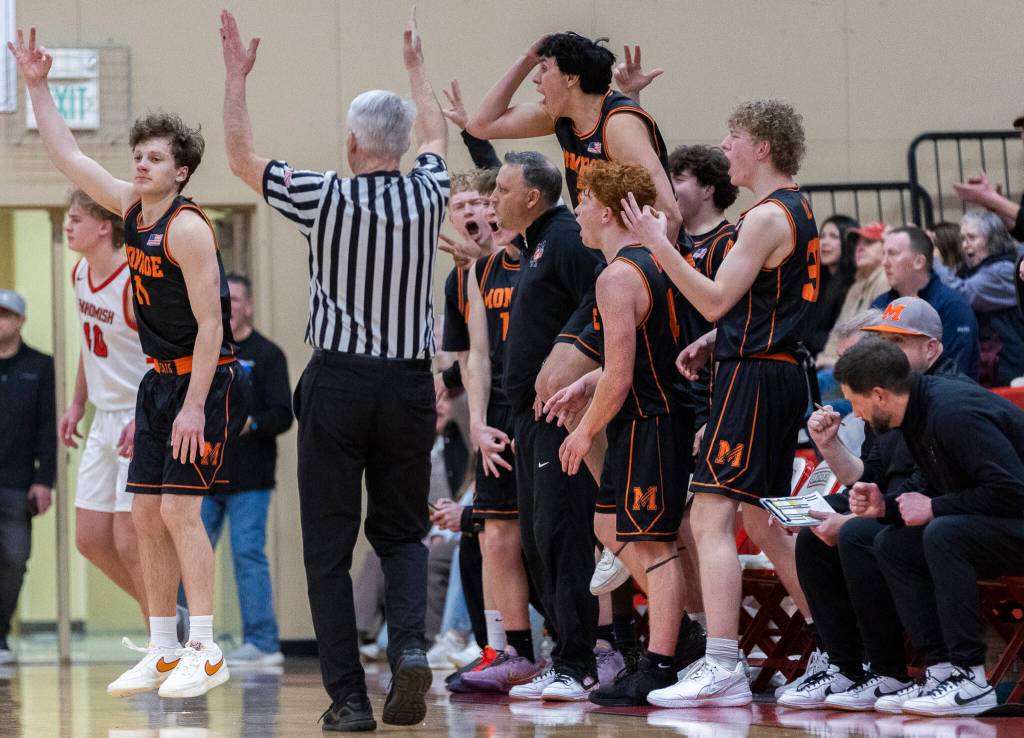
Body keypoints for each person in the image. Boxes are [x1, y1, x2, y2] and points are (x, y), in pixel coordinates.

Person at [220, 8, 447, 730]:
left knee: (326, 547)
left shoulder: (325, 195)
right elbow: (437, 134)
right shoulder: (432, 187)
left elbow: (240, 157)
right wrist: (417, 66)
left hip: (340, 381)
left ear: (352, 143)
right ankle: (408, 645)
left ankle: (348, 699)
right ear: (403, 144)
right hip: (410, 384)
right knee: (403, 533)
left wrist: (236, 79)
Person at [12, 29, 250, 700]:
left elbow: (214, 324)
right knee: (144, 515)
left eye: (155, 157)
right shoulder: (128, 207)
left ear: (180, 171)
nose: (141, 164)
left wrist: (197, 405)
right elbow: (67, 155)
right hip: (156, 381)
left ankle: (206, 647)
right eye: (138, 155)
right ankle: (163, 647)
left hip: (204, 382)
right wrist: (35, 87)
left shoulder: (188, 227)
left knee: (178, 512)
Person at [619, 98, 818, 708]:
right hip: (772, 370)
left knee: (707, 518)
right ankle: (842, 646)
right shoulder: (796, 206)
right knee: (762, 518)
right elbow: (758, 304)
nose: (726, 147)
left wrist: (658, 242)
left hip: (755, 379)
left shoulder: (761, 217)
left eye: (734, 138)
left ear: (762, 147)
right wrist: (716, 340)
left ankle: (723, 662)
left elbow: (710, 299)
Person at [781, 299, 968, 712]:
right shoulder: (889, 394)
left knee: (859, 534)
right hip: (900, 502)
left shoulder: (945, 396)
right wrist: (829, 446)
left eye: (899, 342)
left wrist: (855, 515)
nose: (887, 351)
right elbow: (871, 474)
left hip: (946, 510)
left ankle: (887, 669)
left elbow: (930, 482)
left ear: (931, 350)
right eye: (885, 341)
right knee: (818, 524)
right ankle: (843, 663)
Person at [554, 160, 694, 706]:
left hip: (652, 420)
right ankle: (676, 629)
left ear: (609, 210)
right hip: (652, 415)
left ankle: (662, 661)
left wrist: (585, 431)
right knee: (608, 522)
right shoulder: (656, 262)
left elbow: (620, 374)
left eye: (584, 200)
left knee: (652, 547)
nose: (578, 210)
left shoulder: (617, 277)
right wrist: (585, 383)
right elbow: (629, 358)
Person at [839, 339, 1024, 716]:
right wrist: (884, 506)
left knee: (943, 533)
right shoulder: (915, 416)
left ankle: (971, 677)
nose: (855, 415)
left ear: (879, 395)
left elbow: (1013, 490)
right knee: (892, 542)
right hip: (1001, 522)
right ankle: (940, 671)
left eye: (855, 403)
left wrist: (936, 508)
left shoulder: (952, 412)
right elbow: (931, 490)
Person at [491, 151, 604, 701]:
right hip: (525, 417)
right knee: (538, 540)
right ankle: (565, 653)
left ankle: (580, 661)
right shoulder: (534, 243)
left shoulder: (563, 237)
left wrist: (571, 357)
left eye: (501, 191)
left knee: (561, 537)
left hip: (560, 411)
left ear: (532, 196)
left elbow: (604, 294)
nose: (493, 200)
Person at [467, 33, 680, 239]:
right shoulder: (560, 116)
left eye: (543, 68)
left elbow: (669, 217)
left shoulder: (618, 125)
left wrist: (642, 272)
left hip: (637, 260)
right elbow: (481, 125)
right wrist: (529, 57)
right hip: (602, 253)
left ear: (570, 77)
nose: (536, 79)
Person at [58, 190, 149, 625]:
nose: (68, 225)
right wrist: (76, 403)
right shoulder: (80, 274)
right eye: (67, 218)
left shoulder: (134, 282)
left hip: (138, 416)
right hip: (102, 416)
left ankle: (164, 640)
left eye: (76, 218)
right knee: (90, 538)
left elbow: (162, 361)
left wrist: (146, 416)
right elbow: (89, 347)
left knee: (129, 539)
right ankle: (169, 616)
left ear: (104, 227)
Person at [202, 274, 292, 666]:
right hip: (203, 473)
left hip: (250, 478)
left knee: (247, 555)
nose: (230, 305)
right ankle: (187, 642)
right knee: (193, 555)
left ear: (248, 305)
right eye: (223, 299)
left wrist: (249, 423)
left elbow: (283, 414)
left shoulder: (267, 354)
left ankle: (263, 642)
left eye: (236, 299)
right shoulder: (203, 349)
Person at [0, 290, 55, 665]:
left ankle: (1, 632)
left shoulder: (40, 366)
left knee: (15, 559)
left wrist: (44, 479)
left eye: (5, 315)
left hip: (18, 482)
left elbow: (49, 426)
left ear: (20, 320)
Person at [869, 225, 979, 378]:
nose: (885, 262)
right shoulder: (880, 303)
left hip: (937, 396)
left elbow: (955, 374)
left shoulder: (953, 306)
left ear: (919, 262)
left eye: (892, 254)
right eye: (884, 254)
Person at [932, 211, 1024, 385]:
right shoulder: (973, 268)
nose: (966, 245)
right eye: (962, 239)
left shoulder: (1002, 269)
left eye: (972, 238)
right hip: (993, 363)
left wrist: (935, 260)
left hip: (1011, 364)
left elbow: (963, 295)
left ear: (991, 240)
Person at [817, 222, 890, 369]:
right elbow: (839, 330)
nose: (860, 248)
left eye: (869, 242)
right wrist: (825, 358)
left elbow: (874, 339)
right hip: (837, 363)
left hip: (859, 368)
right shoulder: (856, 284)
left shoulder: (885, 279)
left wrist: (832, 361)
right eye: (857, 243)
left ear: (886, 248)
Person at [807, 215, 858, 357]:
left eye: (834, 236)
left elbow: (840, 334)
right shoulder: (818, 278)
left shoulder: (853, 281)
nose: (824, 242)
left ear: (848, 242)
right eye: (822, 236)